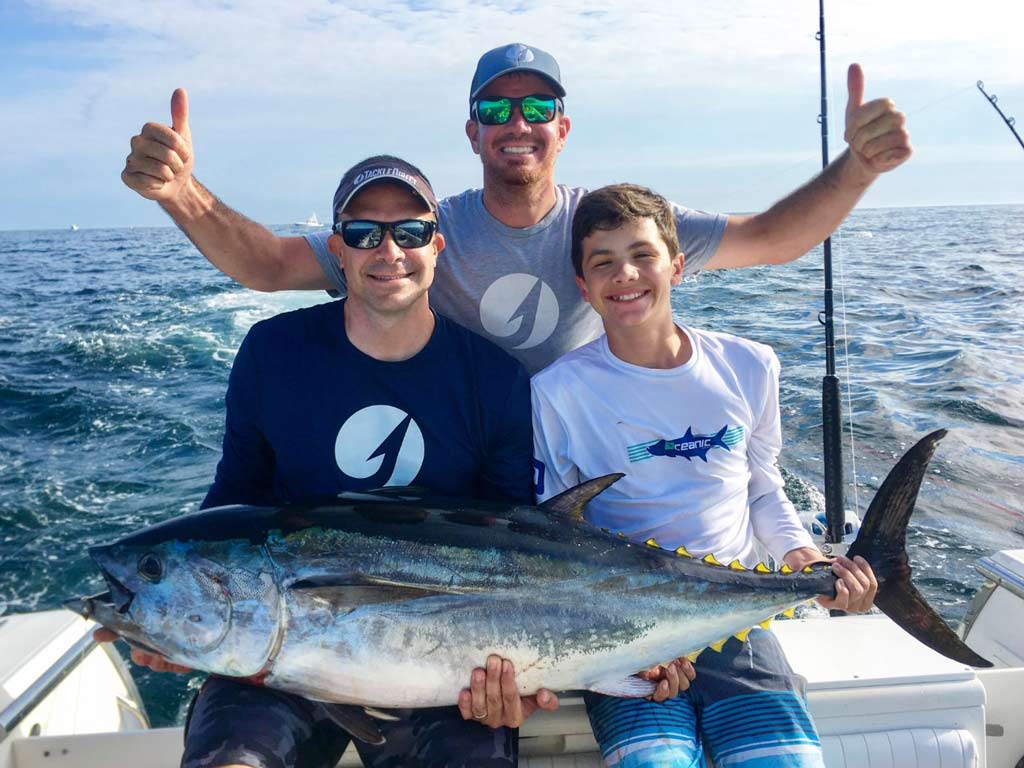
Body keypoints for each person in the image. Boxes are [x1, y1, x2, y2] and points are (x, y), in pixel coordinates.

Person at [101, 155, 557, 768]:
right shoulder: (274, 353)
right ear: (337, 249)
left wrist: (521, 679)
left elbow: (520, 550)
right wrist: (179, 620)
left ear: (436, 246)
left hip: (446, 670)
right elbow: (232, 504)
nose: (388, 249)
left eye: (411, 231)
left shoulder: (495, 378)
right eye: (365, 233)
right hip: (276, 666)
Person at [121, 42, 911, 378]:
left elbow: (774, 239)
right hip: (474, 462)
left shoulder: (617, 226)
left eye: (537, 106)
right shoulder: (425, 233)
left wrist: (858, 167)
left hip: (587, 456)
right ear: (471, 132)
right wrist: (180, 192)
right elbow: (268, 267)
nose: (517, 124)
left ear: (563, 126)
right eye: (494, 112)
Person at [530, 182, 878, 768]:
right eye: (603, 262)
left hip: (740, 619)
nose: (626, 275)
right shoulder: (557, 391)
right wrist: (626, 643)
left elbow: (760, 482)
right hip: (626, 630)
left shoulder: (749, 364)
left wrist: (803, 559)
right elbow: (559, 537)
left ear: (678, 265)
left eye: (643, 255)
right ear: (581, 286)